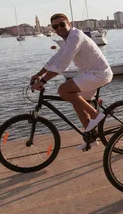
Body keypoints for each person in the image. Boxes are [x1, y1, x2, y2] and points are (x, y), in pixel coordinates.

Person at [31, 13, 113, 141]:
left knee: (63, 90)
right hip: (89, 74)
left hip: (99, 73)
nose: (59, 28)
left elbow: (63, 62)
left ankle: (94, 114)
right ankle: (91, 136)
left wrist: (43, 81)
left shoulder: (75, 37)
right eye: (55, 26)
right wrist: (38, 74)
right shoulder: (67, 40)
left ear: (69, 24)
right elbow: (55, 58)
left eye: (62, 24)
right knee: (77, 102)